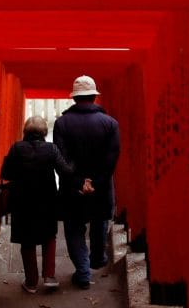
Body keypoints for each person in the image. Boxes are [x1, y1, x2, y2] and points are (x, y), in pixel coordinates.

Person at [53, 75, 120, 290]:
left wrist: (78, 182)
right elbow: (112, 159)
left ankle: (82, 271)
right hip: (100, 187)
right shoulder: (110, 124)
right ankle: (97, 258)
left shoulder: (62, 123)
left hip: (72, 188)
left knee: (74, 228)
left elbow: (60, 158)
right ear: (94, 97)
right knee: (99, 220)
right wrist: (96, 183)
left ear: (74, 98)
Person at [0, 115, 73, 294]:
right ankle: (49, 276)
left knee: (27, 240)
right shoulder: (51, 149)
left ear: (25, 131)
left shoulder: (17, 148)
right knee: (49, 236)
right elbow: (65, 171)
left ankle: (31, 282)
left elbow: (6, 173)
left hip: (22, 200)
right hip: (47, 199)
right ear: (44, 132)